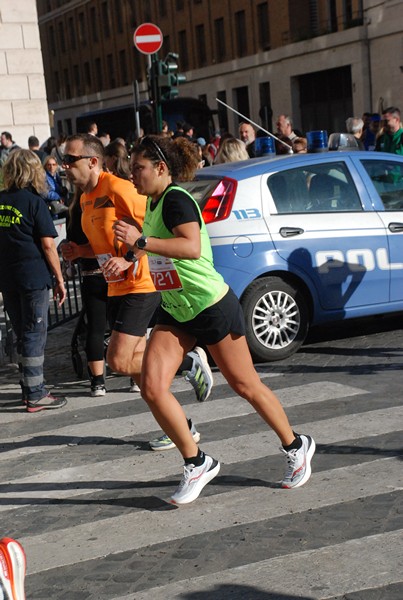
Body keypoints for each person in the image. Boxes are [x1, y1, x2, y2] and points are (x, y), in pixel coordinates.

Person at [113, 134, 316, 504]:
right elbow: (159, 251)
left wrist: (140, 242)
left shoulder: (176, 199)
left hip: (210, 305)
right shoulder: (155, 202)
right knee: (153, 387)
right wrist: (130, 255)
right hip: (176, 308)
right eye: (131, 168)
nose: (132, 175)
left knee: (245, 385)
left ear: (161, 169)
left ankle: (296, 445)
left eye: (138, 168)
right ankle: (197, 461)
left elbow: (189, 247)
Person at [60, 134, 212, 446]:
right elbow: (104, 244)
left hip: (141, 282)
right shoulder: (85, 198)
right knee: (144, 379)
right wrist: (79, 251)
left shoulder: (117, 187)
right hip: (115, 286)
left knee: (118, 359)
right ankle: (180, 427)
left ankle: (188, 362)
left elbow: (152, 229)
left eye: (70, 160)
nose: (65, 166)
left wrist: (128, 260)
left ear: (92, 161)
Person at [0, 150, 67, 412]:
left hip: (8, 277)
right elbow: (49, 245)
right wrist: (60, 279)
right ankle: (36, 392)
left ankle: (28, 388)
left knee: (22, 331)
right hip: (33, 276)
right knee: (34, 333)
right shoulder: (33, 202)